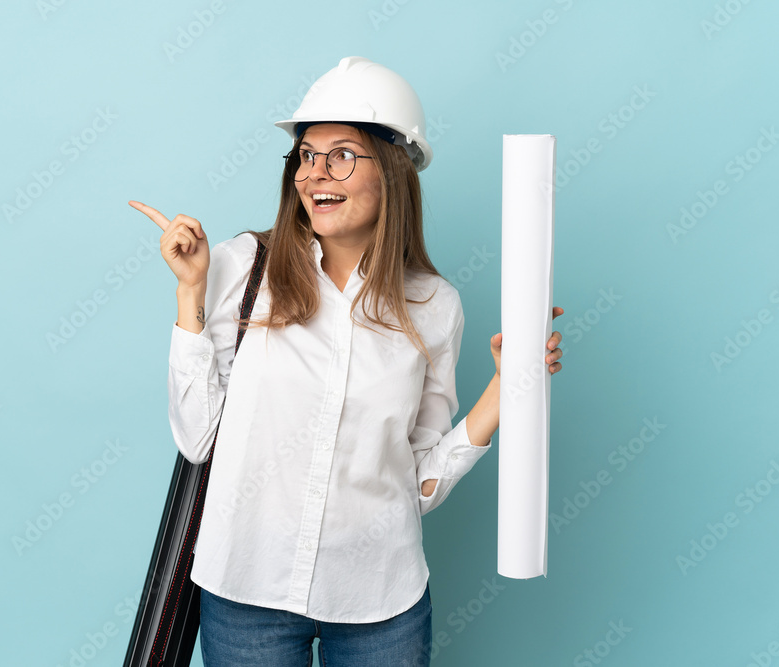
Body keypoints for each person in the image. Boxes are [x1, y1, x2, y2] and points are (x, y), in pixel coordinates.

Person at [129, 56, 564, 667]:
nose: (316, 173)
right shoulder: (239, 269)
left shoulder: (434, 306)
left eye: (341, 155)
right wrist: (191, 295)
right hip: (245, 592)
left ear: (392, 171)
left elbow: (413, 483)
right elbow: (199, 440)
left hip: (380, 605)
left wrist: (505, 389)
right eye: (307, 155)